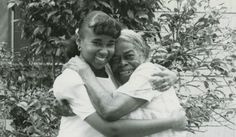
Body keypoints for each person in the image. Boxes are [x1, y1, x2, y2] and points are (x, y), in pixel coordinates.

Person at [53, 11, 186, 137]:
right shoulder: (75, 76)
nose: (104, 52)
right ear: (78, 41)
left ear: (143, 52)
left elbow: (149, 70)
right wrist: (173, 122)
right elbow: (111, 128)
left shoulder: (111, 71)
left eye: (110, 44)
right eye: (96, 43)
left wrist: (172, 75)